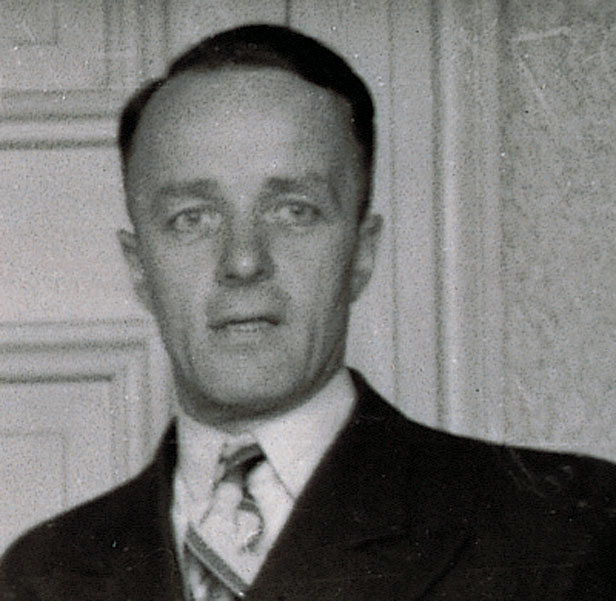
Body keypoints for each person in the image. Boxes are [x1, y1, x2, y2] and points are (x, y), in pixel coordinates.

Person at [1, 23, 615, 601]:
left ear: (361, 254)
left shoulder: (566, 533)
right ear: (140, 268)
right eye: (192, 218)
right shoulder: (41, 577)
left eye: (294, 211)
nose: (244, 261)